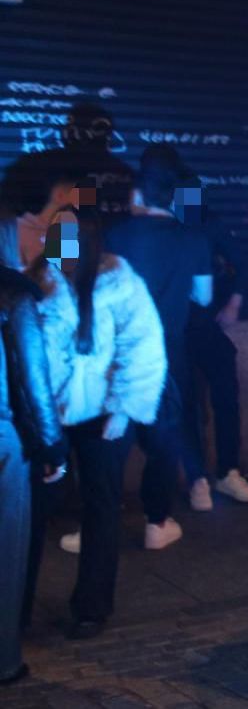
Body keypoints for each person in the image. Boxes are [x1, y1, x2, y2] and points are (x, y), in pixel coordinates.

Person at [27, 207, 165, 640]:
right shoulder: (37, 281)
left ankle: (92, 607)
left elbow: (143, 346)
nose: (57, 244)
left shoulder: (118, 280)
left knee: (101, 507)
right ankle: (17, 602)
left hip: (103, 414)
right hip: (48, 415)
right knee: (33, 507)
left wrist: (124, 408)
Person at [101, 148, 210, 537]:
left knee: (112, 438)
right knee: (164, 437)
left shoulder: (114, 233)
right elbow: (204, 297)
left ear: (137, 193)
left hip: (118, 353)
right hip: (169, 353)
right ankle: (157, 522)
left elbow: (95, 288)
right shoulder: (193, 236)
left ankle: (98, 523)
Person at [178, 173, 248, 503]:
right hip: (176, 327)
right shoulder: (165, 227)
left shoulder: (208, 226)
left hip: (204, 324)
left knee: (223, 396)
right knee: (187, 405)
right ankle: (197, 478)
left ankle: (227, 471)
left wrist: (233, 304)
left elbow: (240, 263)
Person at [0, 265, 62, 685]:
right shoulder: (13, 293)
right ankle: (4, 660)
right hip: (4, 440)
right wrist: (51, 445)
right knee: (6, 554)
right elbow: (33, 377)